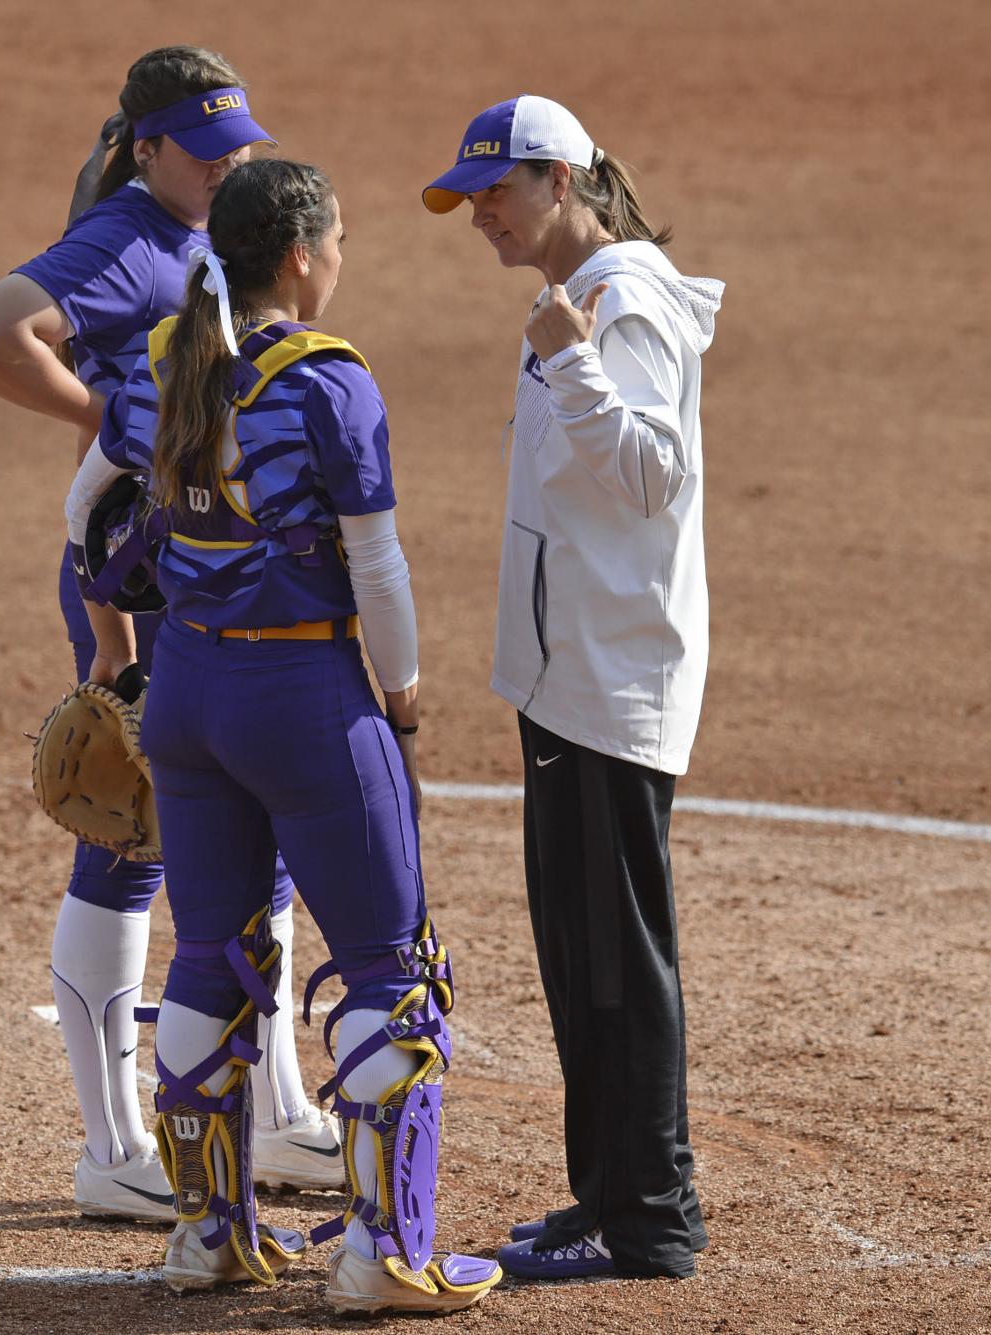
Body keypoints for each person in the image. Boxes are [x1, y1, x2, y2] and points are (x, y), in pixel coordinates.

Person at [68, 155, 502, 1313]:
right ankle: (384, 1256)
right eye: (342, 240)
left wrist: (114, 634)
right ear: (302, 254)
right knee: (387, 972)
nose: (343, 260)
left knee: (209, 953)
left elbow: (84, 511)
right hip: (304, 700)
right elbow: (378, 566)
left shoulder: (169, 357)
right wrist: (400, 703)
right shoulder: (328, 382)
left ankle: (207, 1236)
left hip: (188, 703)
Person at [0, 46, 342, 1220]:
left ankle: (277, 1118)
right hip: (138, 579)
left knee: (260, 824)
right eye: (206, 151)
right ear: (145, 147)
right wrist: (119, 426)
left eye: (238, 150)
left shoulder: (201, 242)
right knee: (132, 838)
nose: (228, 167)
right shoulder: (124, 241)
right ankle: (114, 1146)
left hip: (209, 573)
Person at [423, 95, 724, 1281]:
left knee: (616, 963)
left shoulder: (622, 303)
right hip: (567, 681)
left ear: (560, 178)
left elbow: (656, 475)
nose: (479, 214)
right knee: (579, 957)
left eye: (493, 190)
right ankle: (606, 1195)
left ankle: (653, 1218)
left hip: (608, 681)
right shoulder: (581, 301)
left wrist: (573, 362)